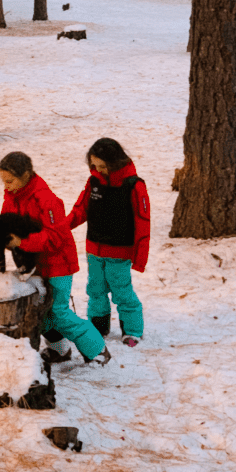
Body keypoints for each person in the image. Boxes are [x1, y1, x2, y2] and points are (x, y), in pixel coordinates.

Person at [0, 151, 111, 367]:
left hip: (59, 264)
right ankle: (60, 350)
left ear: (26, 175)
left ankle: (98, 350)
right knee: (38, 311)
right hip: (35, 264)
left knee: (59, 312)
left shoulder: (46, 200)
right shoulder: (11, 196)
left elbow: (55, 237)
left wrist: (22, 243)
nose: (6, 185)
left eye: (10, 180)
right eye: (4, 181)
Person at [68, 138, 150, 347]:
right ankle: (98, 327)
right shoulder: (93, 182)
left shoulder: (134, 185)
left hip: (120, 251)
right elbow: (81, 209)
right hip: (94, 249)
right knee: (95, 290)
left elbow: (143, 223)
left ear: (116, 162)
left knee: (122, 291)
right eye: (95, 165)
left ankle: (132, 330)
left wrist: (139, 259)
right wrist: (62, 227)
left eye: (103, 166)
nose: (99, 170)